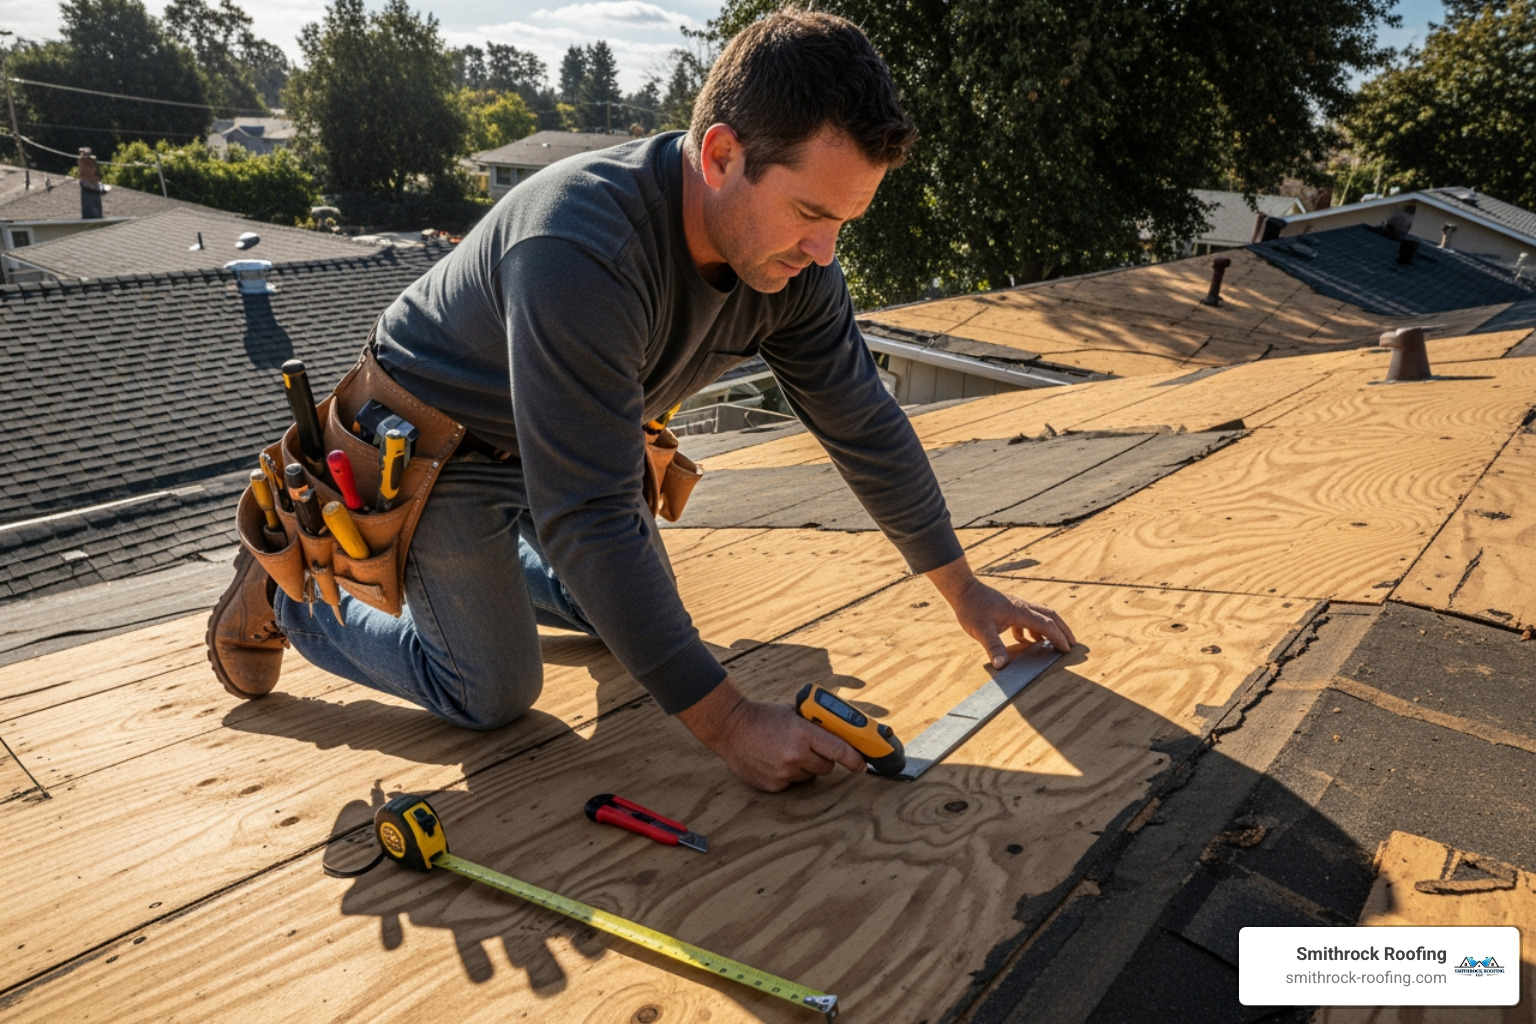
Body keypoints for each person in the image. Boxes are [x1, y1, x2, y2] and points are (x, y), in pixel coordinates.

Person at [207, 8, 1076, 793]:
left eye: (844, 222)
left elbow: (863, 423)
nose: (823, 250)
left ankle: (477, 576)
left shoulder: (795, 261)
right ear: (721, 155)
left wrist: (967, 593)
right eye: (811, 212)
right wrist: (731, 724)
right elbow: (586, 512)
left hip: (571, 441)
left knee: (624, 616)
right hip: (440, 452)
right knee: (493, 692)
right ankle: (289, 598)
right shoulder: (579, 245)